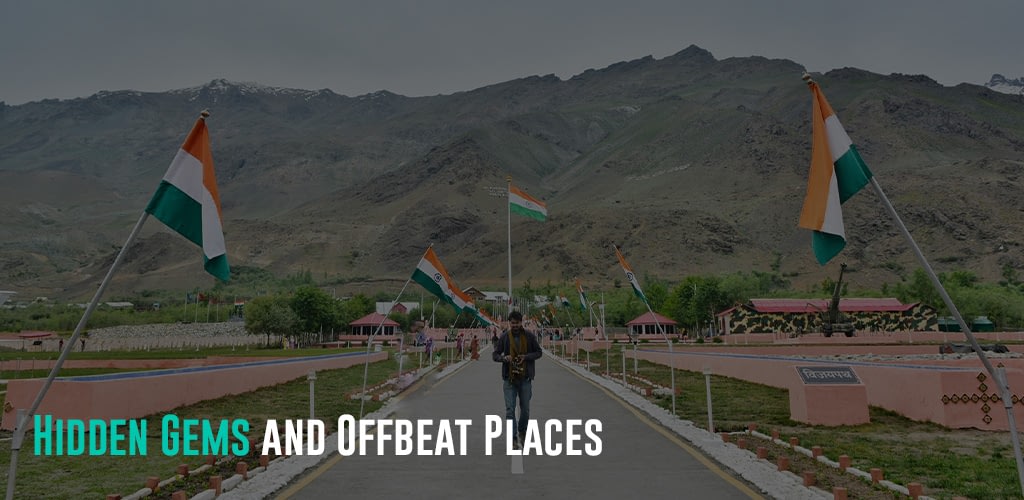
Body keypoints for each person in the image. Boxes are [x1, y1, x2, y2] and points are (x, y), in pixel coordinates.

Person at [493, 310, 542, 449]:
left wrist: (526, 357)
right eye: (512, 323)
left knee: (525, 409)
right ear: (509, 323)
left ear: (521, 322)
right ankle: (513, 438)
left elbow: (539, 352)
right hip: (509, 379)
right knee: (510, 409)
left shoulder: (529, 336)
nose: (515, 325)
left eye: (517, 323)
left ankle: (522, 430)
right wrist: (504, 358)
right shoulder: (504, 337)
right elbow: (495, 354)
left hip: (525, 378)